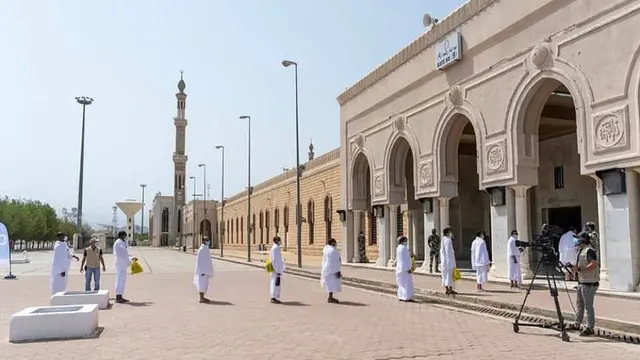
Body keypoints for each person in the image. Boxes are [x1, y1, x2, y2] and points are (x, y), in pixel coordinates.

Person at [567, 231, 600, 337]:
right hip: (582, 282)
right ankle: (577, 323)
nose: (576, 241)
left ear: (583, 240)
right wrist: (573, 269)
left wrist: (580, 269)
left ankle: (590, 327)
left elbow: (593, 264)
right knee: (579, 305)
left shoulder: (589, 250)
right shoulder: (581, 251)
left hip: (589, 283)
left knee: (588, 306)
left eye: (578, 239)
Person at [114, 231, 137, 303]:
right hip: (120, 263)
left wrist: (131, 258)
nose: (125, 237)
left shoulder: (122, 242)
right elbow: (122, 255)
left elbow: (125, 254)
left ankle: (120, 295)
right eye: (124, 236)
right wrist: (130, 260)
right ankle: (118, 296)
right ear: (121, 235)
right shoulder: (118, 243)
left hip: (123, 263)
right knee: (120, 279)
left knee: (122, 280)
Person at [321, 238, 342, 303]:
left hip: (326, 269)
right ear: (332, 243)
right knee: (332, 284)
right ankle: (330, 298)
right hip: (332, 269)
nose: (336, 243)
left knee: (330, 284)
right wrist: (338, 270)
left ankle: (330, 297)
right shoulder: (333, 250)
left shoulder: (326, 249)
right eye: (335, 242)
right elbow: (336, 261)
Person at [193, 236, 214, 303]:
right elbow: (200, 261)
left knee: (204, 284)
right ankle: (201, 298)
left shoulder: (205, 249)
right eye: (207, 240)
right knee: (201, 284)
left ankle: (202, 297)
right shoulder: (202, 249)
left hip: (205, 271)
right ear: (203, 241)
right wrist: (201, 271)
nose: (208, 241)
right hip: (202, 271)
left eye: (208, 240)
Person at [395, 236, 414, 302]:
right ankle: (406, 297)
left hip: (399, 268)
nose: (406, 242)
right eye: (405, 241)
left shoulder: (398, 248)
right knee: (407, 283)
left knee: (401, 283)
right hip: (405, 268)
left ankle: (401, 296)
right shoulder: (404, 248)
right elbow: (407, 259)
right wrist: (409, 267)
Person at [440, 227, 457, 295]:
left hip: (445, 261)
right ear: (447, 233)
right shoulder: (448, 240)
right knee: (449, 276)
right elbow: (448, 252)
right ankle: (450, 289)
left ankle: (447, 288)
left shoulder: (443, 239)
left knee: (445, 275)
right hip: (448, 261)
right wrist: (450, 261)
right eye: (450, 232)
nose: (451, 233)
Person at [269, 236, 286, 304]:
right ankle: (274, 297)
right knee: (275, 283)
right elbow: (275, 260)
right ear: (276, 241)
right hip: (276, 269)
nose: (280, 242)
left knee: (274, 282)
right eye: (279, 240)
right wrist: (278, 270)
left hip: (274, 268)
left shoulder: (274, 248)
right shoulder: (276, 248)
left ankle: (274, 296)